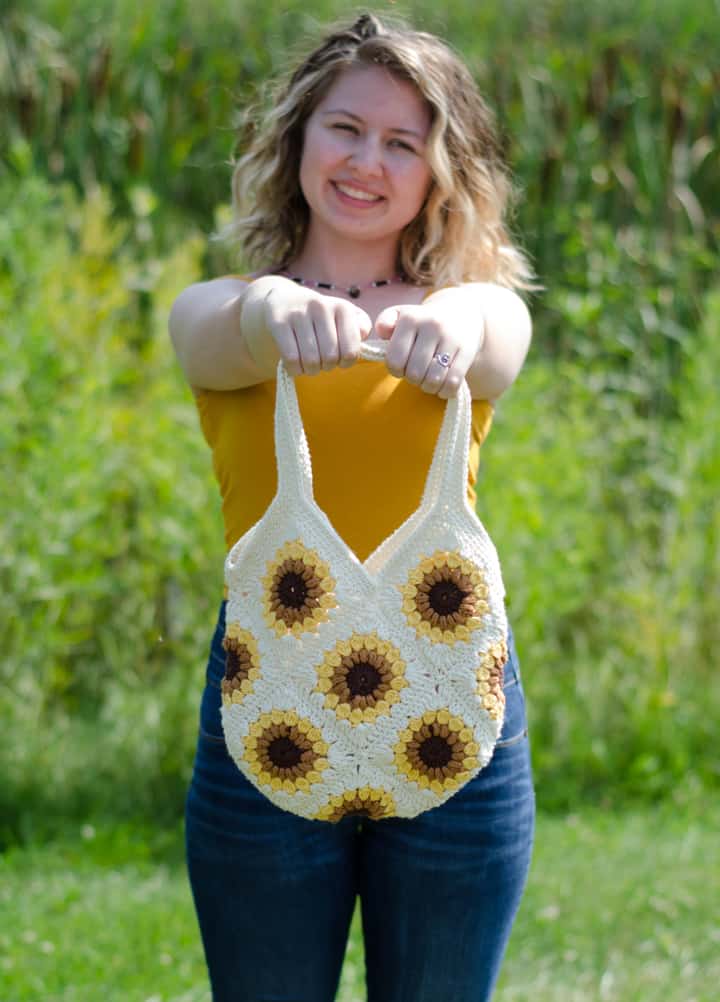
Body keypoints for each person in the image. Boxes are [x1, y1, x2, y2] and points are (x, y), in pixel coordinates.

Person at [169, 13, 535, 1002]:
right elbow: (222, 338)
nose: (366, 160)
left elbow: (495, 330)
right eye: (345, 128)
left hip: (455, 711)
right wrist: (276, 312)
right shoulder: (221, 307)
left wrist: (445, 319)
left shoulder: (470, 312)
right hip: (269, 697)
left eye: (403, 143)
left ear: (436, 173)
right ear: (300, 139)